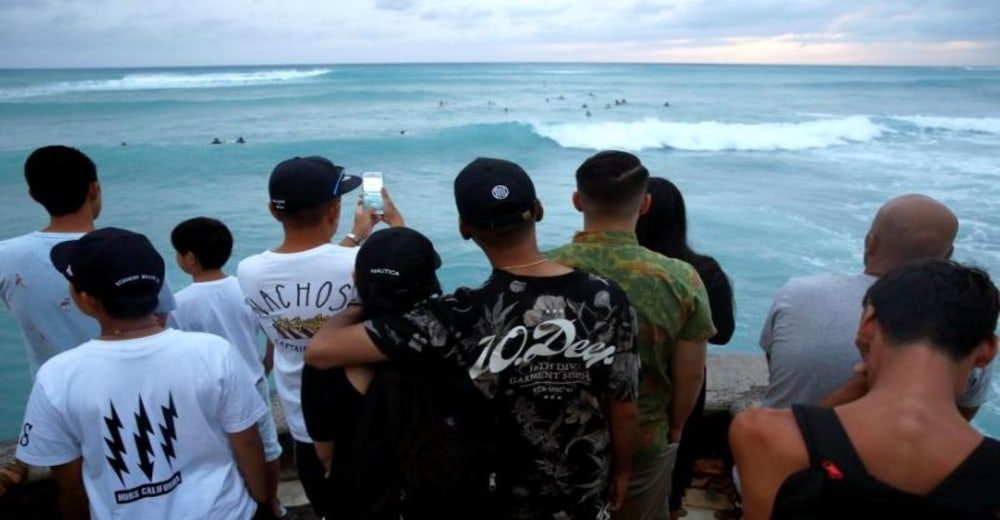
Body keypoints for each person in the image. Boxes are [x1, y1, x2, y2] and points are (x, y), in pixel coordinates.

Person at [305, 157, 640, 519]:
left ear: (465, 228)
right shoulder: (606, 297)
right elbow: (623, 402)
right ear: (539, 210)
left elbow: (321, 351)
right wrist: (622, 471)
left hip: (500, 499)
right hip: (583, 490)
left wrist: (359, 295)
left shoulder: (456, 317)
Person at [16, 227, 268, 519]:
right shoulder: (214, 352)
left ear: (84, 299)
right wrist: (262, 498)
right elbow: (247, 442)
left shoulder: (56, 377)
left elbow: (70, 482)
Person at [731, 259, 1000, 519]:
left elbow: (807, 436)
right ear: (988, 349)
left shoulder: (764, 435)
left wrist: (860, 382)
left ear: (867, 324)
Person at [547, 151, 716, 520]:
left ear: (577, 201)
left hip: (560, 436)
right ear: (645, 204)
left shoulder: (545, 268)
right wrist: (674, 428)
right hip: (646, 436)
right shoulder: (680, 278)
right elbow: (690, 373)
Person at [236, 155, 382, 517]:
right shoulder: (358, 264)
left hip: (304, 423)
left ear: (273, 211)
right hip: (364, 415)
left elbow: (306, 268)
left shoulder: (249, 272)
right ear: (335, 209)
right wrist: (365, 236)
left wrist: (352, 239)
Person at [760, 194, 992, 417]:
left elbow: (776, 367)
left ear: (869, 243)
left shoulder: (796, 293)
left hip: (774, 449)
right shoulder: (964, 324)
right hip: (893, 456)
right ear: (947, 257)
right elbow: (958, 419)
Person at [301, 226, 442, 519]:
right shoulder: (449, 338)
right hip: (441, 492)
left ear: (356, 280)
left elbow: (326, 455)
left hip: (364, 499)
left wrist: (357, 304)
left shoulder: (326, 362)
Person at [0, 145, 175, 380]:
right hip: (140, 388)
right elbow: (159, 321)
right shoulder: (134, 250)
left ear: (32, 195)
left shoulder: (7, 256)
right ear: (94, 189)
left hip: (56, 396)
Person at [169, 216, 284, 518]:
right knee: (268, 447)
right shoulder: (247, 291)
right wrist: (266, 366)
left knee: (221, 450)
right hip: (253, 381)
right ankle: (270, 502)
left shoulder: (179, 304)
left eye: (179, 252)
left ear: (190, 259)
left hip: (206, 390)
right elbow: (274, 333)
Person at [635, 176, 735, 519]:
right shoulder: (704, 270)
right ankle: (673, 509)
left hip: (631, 381)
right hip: (686, 386)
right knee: (677, 466)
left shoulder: (621, 273)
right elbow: (723, 333)